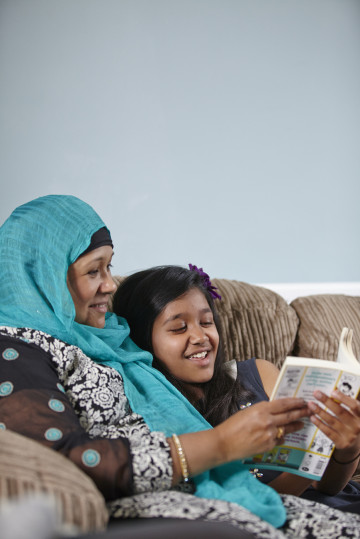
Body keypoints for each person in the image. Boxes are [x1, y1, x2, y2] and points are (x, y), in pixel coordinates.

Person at [0, 197, 359, 539]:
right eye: (94, 270)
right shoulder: (18, 349)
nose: (110, 284)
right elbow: (65, 460)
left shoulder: (105, 344)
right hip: (164, 504)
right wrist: (220, 443)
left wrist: (343, 449)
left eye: (109, 267)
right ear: (43, 273)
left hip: (203, 496)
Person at [112, 264, 360, 513]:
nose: (201, 336)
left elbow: (327, 487)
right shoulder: (149, 413)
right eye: (179, 328)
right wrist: (311, 461)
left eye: (207, 322)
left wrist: (347, 449)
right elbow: (243, 509)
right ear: (141, 340)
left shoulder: (258, 374)